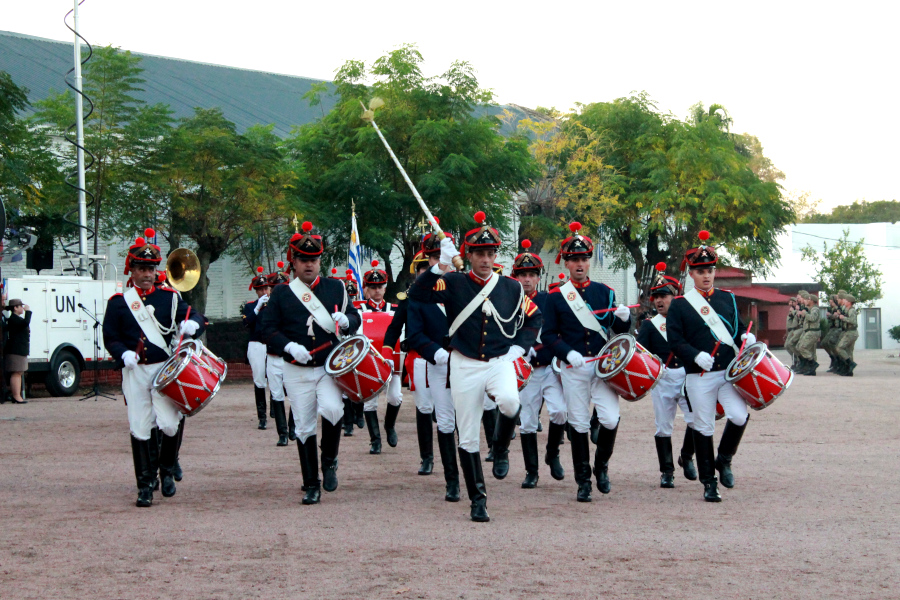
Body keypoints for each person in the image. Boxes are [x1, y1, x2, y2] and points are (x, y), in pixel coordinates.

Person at [408, 211, 541, 522]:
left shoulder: (510, 287)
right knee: (466, 436)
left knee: (510, 403)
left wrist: (520, 348)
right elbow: (418, 294)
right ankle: (478, 499)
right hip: (464, 363)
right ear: (468, 255)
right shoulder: (452, 282)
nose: (486, 258)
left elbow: (533, 317)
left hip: (498, 361)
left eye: (491, 253)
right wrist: (439, 266)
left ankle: (500, 447)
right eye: (480, 253)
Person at [258, 221, 361, 505]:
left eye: (314, 260)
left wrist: (346, 320)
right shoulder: (280, 293)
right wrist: (288, 346)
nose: (309, 265)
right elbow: (267, 330)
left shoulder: (335, 287)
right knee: (303, 426)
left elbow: (356, 318)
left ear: (320, 261)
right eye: (303, 260)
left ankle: (329, 460)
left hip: (328, 365)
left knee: (332, 409)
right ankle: (310, 483)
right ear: (294, 261)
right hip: (296, 367)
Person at [103, 228, 206, 507]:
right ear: (131, 270)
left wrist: (193, 324)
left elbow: (193, 313)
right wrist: (123, 353)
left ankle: (167, 469)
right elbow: (110, 336)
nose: (148, 273)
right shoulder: (118, 303)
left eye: (151, 268)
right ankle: (145, 485)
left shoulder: (169, 297)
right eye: (142, 268)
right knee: (140, 426)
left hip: (163, 369)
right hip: (135, 371)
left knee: (170, 424)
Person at [542, 222, 632, 503]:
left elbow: (617, 330)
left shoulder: (604, 292)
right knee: (579, 424)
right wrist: (567, 353)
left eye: (583, 259)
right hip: (574, 366)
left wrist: (625, 318)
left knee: (609, 418)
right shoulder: (555, 296)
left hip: (603, 367)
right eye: (574, 260)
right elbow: (548, 335)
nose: (579, 264)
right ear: (566, 263)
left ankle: (601, 467)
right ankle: (583, 481)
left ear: (588, 261)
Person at [666, 231, 753, 503]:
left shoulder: (727, 298)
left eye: (710, 270)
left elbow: (738, 329)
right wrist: (694, 355)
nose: (706, 275)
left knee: (738, 415)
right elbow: (675, 340)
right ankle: (708, 482)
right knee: (704, 426)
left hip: (727, 373)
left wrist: (746, 339)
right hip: (699, 375)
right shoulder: (680, 305)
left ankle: (724, 459)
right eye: (701, 270)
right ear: (691, 274)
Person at [406, 242, 460, 502]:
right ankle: (453, 481)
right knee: (446, 421)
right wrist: (435, 352)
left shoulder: (463, 284)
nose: (443, 261)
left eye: (447, 257)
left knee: (473, 417)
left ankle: (494, 456)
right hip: (439, 364)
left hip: (469, 361)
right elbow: (414, 334)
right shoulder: (419, 294)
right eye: (437, 257)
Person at [510, 240, 566, 488]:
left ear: (538, 277)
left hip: (550, 367)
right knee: (529, 421)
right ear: (516, 277)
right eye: (522, 275)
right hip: (526, 371)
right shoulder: (508, 301)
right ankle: (531, 472)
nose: (527, 279)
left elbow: (558, 332)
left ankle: (552, 453)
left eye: (532, 274)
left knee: (560, 411)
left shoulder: (548, 300)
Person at [635, 263, 696, 488]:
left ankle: (687, 456)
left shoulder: (687, 322)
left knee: (696, 420)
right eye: (656, 297)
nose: (659, 301)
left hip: (686, 377)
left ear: (675, 296)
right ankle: (667, 471)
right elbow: (640, 354)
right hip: (662, 379)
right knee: (663, 426)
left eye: (664, 296)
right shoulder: (650, 326)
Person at [357, 260, 403, 454]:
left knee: (395, 397)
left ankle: (389, 425)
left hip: (391, 360)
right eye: (373, 287)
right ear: (367, 288)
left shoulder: (395, 309)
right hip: (368, 362)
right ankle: (375, 440)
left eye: (380, 287)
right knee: (370, 401)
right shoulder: (358, 310)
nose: (377, 291)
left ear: (385, 288)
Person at [262, 263, 294, 446]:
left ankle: (293, 428)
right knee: (276, 395)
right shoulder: (267, 308)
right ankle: (282, 433)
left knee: (295, 395)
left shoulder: (293, 306)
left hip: (289, 357)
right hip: (274, 357)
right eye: (275, 288)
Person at [242, 267, 272, 430]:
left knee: (275, 378)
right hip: (256, 345)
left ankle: (276, 410)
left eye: (265, 288)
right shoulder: (250, 306)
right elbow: (247, 323)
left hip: (272, 344)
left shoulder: (274, 305)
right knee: (259, 380)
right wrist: (257, 308)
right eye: (260, 289)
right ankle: (262, 417)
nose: (263, 292)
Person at [4, 298, 31, 404]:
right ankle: (16, 396)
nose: (22, 308)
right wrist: (28, 312)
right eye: (20, 306)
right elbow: (25, 323)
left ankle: (17, 395)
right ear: (15, 308)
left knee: (19, 372)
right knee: (16, 372)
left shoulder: (17, 319)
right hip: (16, 350)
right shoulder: (13, 319)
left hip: (20, 350)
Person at [795, 291, 821, 376]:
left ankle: (812, 363)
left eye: (808, 299)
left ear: (812, 301)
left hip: (813, 331)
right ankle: (809, 367)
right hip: (809, 331)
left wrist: (805, 314)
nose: (807, 300)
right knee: (800, 347)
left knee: (803, 347)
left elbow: (813, 318)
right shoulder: (810, 309)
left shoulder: (815, 309)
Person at [834, 291, 859, 376]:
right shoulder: (847, 309)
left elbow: (853, 321)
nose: (844, 301)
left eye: (845, 300)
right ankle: (849, 370)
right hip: (849, 331)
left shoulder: (851, 310)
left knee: (839, 348)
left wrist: (843, 318)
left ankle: (850, 363)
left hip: (851, 332)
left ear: (849, 302)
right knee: (848, 351)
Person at [823, 294, 843, 373]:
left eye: (831, 300)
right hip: (832, 328)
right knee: (825, 343)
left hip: (838, 328)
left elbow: (837, 316)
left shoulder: (838, 308)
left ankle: (837, 361)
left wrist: (831, 315)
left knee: (832, 343)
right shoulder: (831, 308)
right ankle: (833, 358)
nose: (829, 301)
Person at [784, 298, 800, 370]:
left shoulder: (796, 311)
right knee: (787, 346)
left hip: (795, 329)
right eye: (789, 302)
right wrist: (786, 332)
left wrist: (793, 311)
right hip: (790, 330)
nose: (790, 303)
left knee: (791, 345)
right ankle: (795, 360)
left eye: (792, 302)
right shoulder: (790, 311)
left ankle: (798, 360)